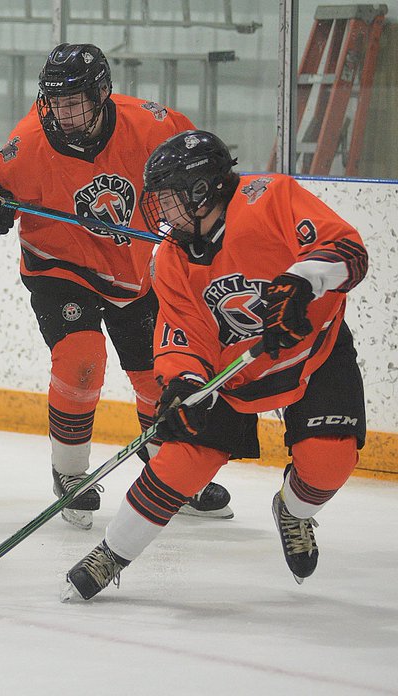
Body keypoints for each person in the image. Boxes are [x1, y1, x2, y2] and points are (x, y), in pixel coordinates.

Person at [63, 130, 369, 601]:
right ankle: (111, 553)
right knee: (180, 462)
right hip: (233, 375)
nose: (161, 213)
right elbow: (183, 334)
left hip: (314, 355)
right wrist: (183, 382)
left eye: (168, 199)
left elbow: (348, 251)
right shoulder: (170, 259)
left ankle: (293, 510)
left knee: (328, 462)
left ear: (202, 190)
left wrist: (303, 281)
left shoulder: (270, 199)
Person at [0, 43, 230, 529]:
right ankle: (70, 474)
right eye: (54, 100)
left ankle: (169, 472)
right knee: (82, 358)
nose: (62, 111)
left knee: (158, 373)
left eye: (74, 99)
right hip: (60, 266)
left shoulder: (151, 124)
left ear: (102, 91)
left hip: (136, 271)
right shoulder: (32, 140)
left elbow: (208, 170)